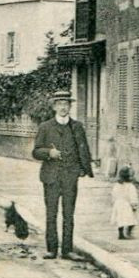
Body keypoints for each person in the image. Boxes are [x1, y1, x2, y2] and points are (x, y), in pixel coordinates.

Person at [31, 88, 94, 260]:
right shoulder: (45, 127)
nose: (63, 107)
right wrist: (48, 153)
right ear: (54, 107)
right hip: (50, 177)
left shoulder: (77, 127)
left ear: (70, 106)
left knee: (69, 214)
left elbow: (83, 148)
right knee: (51, 214)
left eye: (66, 104)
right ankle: (51, 249)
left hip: (70, 176)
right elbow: (35, 152)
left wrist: (83, 168)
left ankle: (67, 250)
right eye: (59, 104)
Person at [111, 165, 139, 240]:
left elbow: (113, 194)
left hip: (118, 203)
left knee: (120, 220)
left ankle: (121, 234)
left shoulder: (117, 185)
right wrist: (134, 205)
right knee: (132, 220)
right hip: (127, 205)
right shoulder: (130, 186)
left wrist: (114, 202)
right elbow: (133, 196)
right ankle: (128, 232)